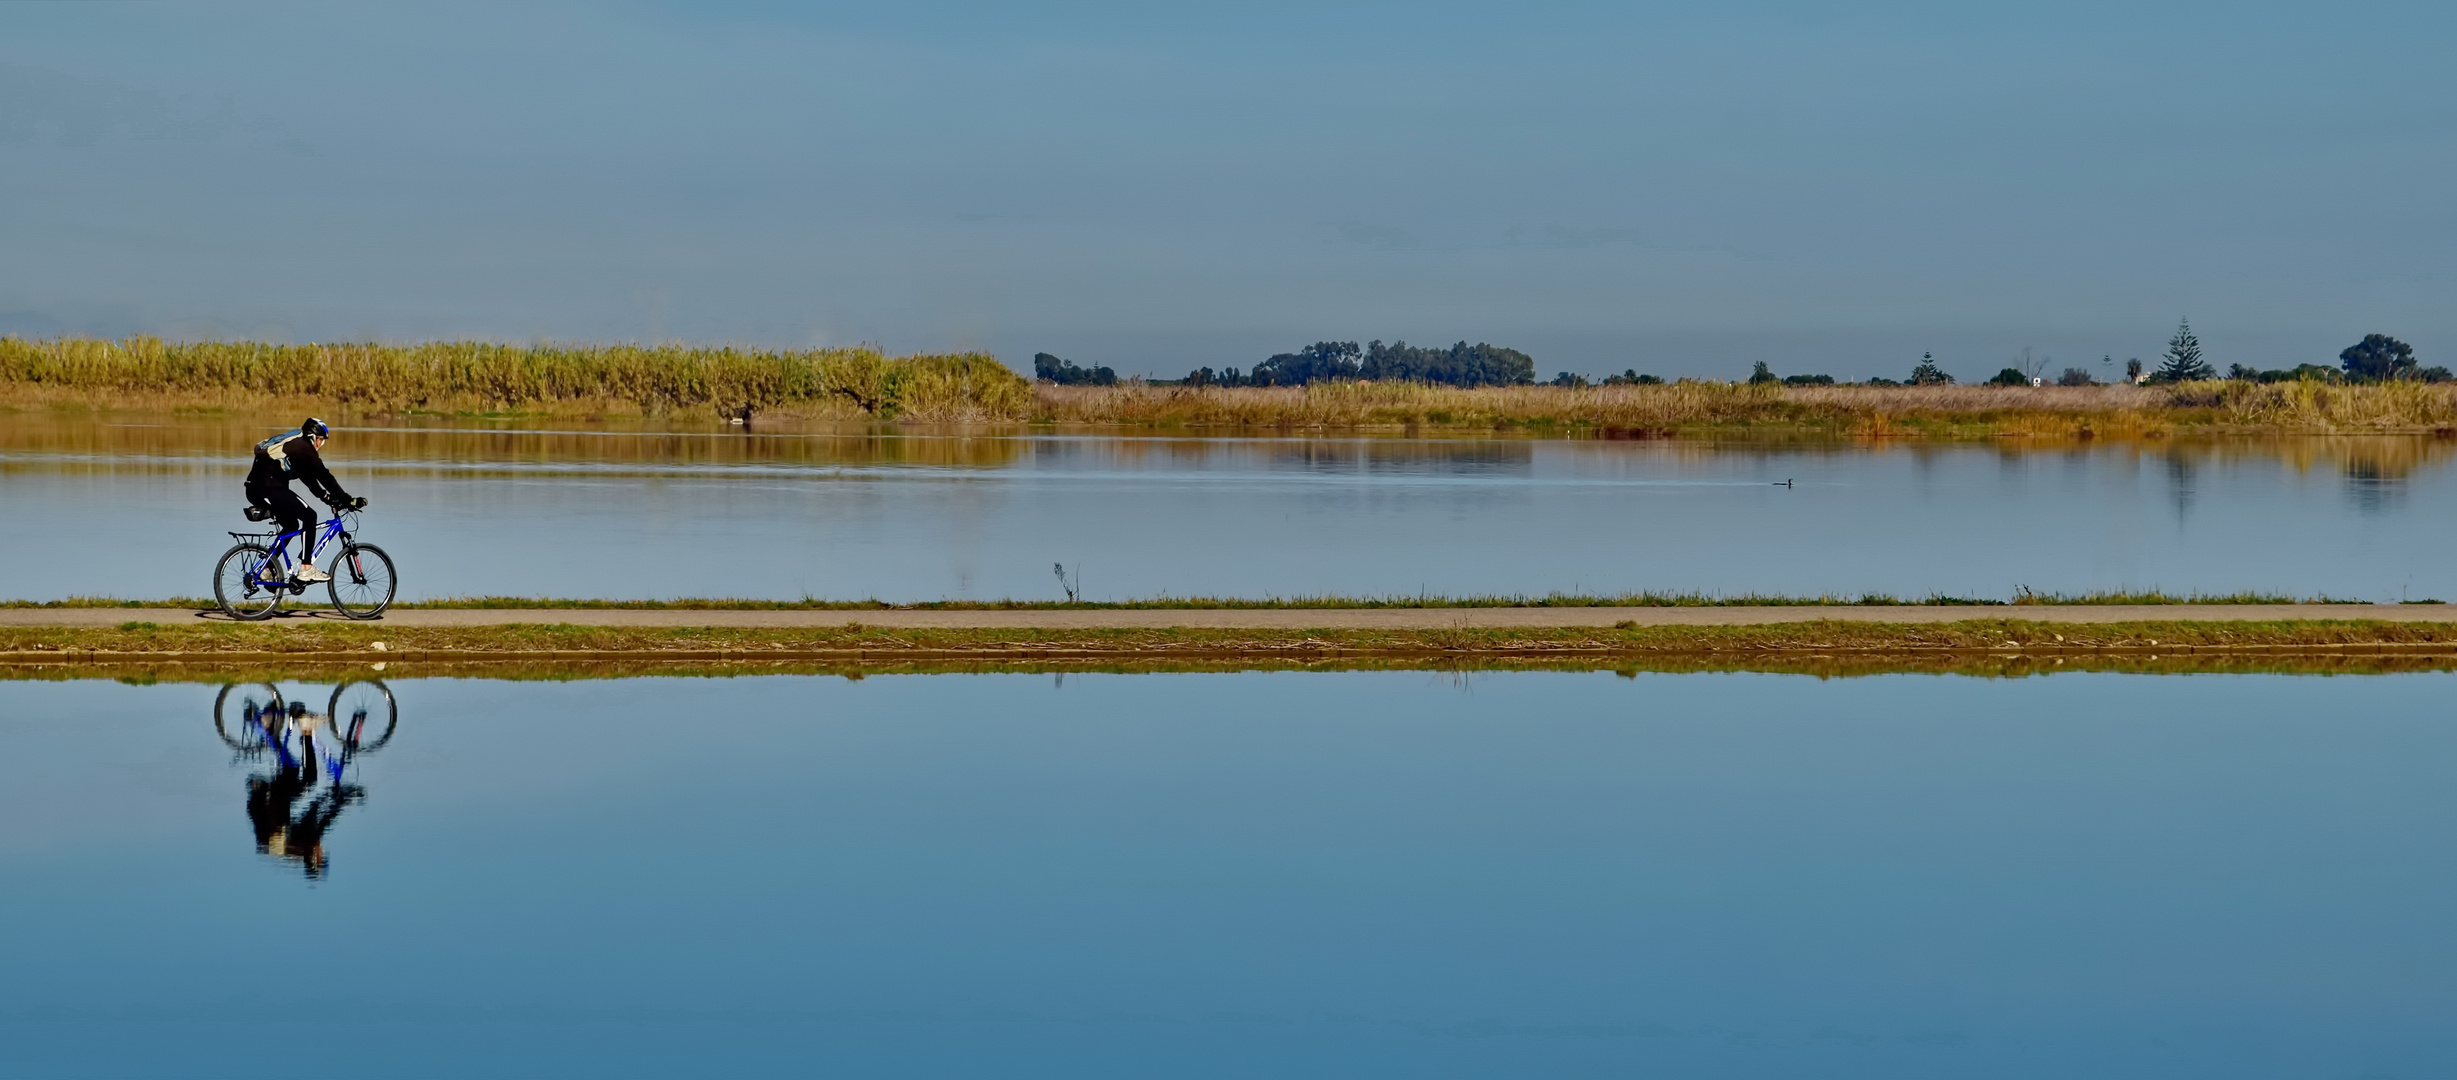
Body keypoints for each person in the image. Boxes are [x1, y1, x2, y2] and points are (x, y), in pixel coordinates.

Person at [245, 417, 366, 582]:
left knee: (291, 525)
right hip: (268, 489)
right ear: (313, 437)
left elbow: (307, 477)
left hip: (260, 489)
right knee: (310, 516)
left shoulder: (295, 444)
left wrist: (326, 497)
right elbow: (324, 476)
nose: (320, 445)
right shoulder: (303, 446)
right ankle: (306, 568)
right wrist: (347, 500)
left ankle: (266, 568)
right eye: (320, 440)